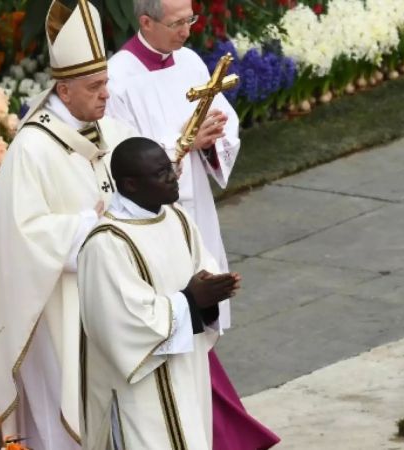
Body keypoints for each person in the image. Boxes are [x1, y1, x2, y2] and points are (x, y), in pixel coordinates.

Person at [0, 1, 136, 448]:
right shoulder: (32, 149)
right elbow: (23, 238)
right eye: (95, 86)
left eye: (106, 82)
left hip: (109, 301)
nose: (105, 94)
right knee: (64, 423)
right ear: (65, 89)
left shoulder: (110, 131)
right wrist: (85, 225)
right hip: (56, 308)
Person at [106, 0, 280, 448]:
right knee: (179, 315)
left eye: (191, 20)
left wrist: (217, 134)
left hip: (195, 207)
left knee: (205, 315)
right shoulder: (120, 77)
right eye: (178, 23)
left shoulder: (187, 61)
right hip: (153, 219)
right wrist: (182, 142)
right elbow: (120, 160)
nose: (188, 31)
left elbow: (223, 114)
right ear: (145, 22)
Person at [78, 136, 238, 450]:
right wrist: (192, 300)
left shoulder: (178, 218)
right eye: (161, 172)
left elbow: (201, 272)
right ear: (131, 184)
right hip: (139, 391)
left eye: (170, 168)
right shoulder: (107, 243)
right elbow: (120, 327)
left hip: (186, 373)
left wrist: (212, 297)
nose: (173, 176)